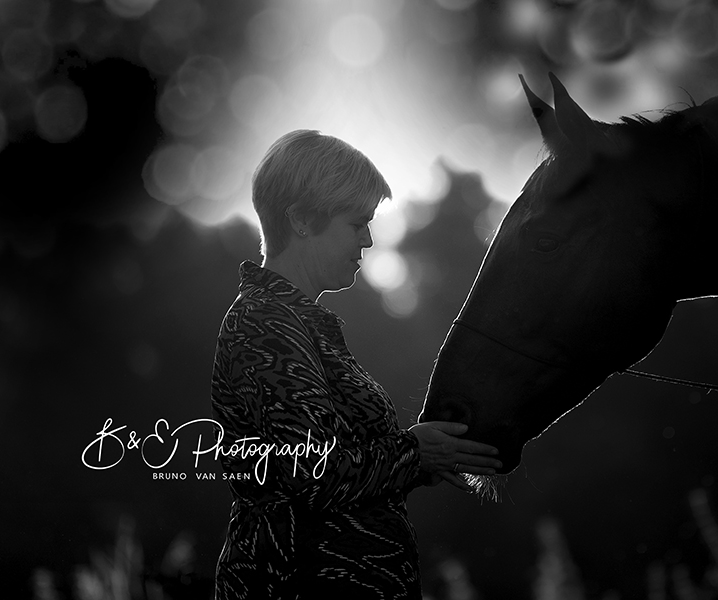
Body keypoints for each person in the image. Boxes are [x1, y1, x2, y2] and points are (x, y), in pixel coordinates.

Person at [210, 130, 501, 599]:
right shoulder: (263, 323)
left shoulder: (297, 322)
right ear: (303, 220)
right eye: (356, 223)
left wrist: (432, 458)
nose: (367, 240)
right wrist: (413, 454)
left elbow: (344, 466)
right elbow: (312, 473)